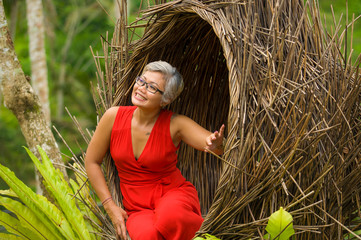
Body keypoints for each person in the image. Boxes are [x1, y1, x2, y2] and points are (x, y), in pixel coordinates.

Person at [85, 60, 225, 240]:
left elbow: (214, 145)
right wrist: (109, 206)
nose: (141, 88)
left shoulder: (175, 124)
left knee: (170, 217)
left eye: (151, 87)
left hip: (173, 196)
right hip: (137, 209)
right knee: (147, 236)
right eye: (141, 81)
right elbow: (92, 161)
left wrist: (215, 144)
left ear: (166, 99)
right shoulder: (113, 117)